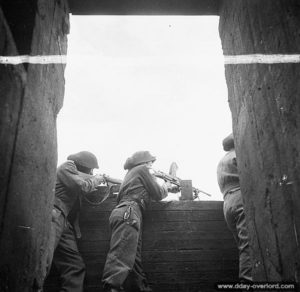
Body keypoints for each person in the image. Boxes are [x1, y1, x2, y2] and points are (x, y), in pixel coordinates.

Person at [102, 151, 170, 292]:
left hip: (126, 212)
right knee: (121, 257)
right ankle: (111, 288)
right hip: (130, 212)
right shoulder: (142, 170)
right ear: (144, 162)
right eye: (150, 161)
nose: (151, 165)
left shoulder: (131, 174)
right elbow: (158, 194)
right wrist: (166, 186)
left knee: (132, 258)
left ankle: (141, 288)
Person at [45, 151, 106, 292]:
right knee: (43, 260)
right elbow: (84, 186)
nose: (91, 172)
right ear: (82, 166)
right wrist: (98, 178)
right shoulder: (68, 166)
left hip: (63, 220)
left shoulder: (74, 172)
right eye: (90, 169)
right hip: (53, 215)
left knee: (74, 266)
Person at [217, 134, 252, 282]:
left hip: (228, 202)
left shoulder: (222, 161)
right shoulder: (239, 155)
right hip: (240, 197)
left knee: (242, 247)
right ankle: (247, 283)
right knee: (249, 246)